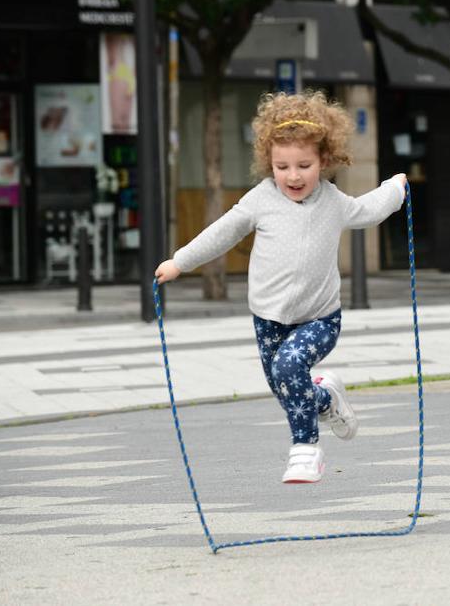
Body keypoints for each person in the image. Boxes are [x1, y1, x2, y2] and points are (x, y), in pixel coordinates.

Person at [155, 91, 407, 484]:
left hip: (320, 318)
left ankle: (306, 451)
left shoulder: (332, 201)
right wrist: (179, 262)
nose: (293, 176)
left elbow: (369, 210)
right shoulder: (261, 200)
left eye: (304, 165)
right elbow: (222, 232)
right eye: (282, 166)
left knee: (290, 367)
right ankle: (328, 398)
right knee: (288, 390)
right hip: (268, 318)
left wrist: (396, 188)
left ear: (323, 161)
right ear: (268, 162)